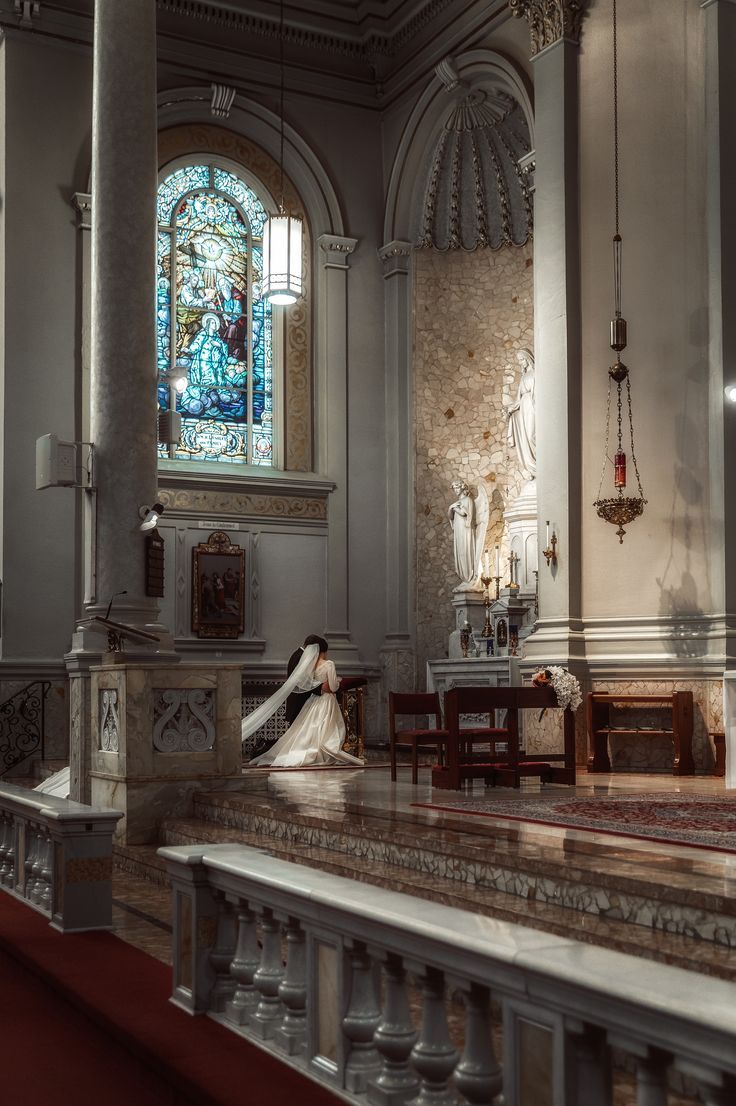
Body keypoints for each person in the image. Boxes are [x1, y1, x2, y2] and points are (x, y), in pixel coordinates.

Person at [245, 639, 364, 768]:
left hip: (310, 701)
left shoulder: (308, 659)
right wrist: (323, 687)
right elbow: (301, 683)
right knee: (303, 735)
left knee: (303, 735)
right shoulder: (302, 658)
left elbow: (310, 680)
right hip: (302, 702)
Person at [284, 633, 326, 725]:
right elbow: (303, 681)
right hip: (298, 702)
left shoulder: (298, 654)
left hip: (297, 701)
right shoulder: (300, 657)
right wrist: (321, 687)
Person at [507, 347, 536, 479]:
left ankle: (537, 465)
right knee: (525, 437)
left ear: (528, 358)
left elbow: (537, 393)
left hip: (532, 406)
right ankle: (531, 466)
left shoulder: (536, 373)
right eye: (519, 360)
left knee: (531, 435)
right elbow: (519, 397)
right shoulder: (524, 376)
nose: (520, 362)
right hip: (524, 407)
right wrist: (512, 408)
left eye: (522, 359)